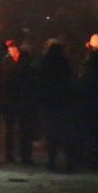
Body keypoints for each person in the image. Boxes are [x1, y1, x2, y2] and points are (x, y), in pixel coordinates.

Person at [36, 41, 74, 171]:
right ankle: (68, 160)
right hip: (62, 103)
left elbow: (40, 83)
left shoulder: (45, 64)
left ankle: (52, 160)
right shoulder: (64, 64)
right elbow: (70, 81)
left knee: (52, 133)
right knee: (65, 133)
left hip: (50, 103)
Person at [0, 40, 36, 164]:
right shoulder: (30, 72)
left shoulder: (13, 72)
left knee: (14, 130)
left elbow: (5, 87)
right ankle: (25, 156)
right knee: (24, 131)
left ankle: (11, 155)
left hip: (14, 104)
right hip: (21, 105)